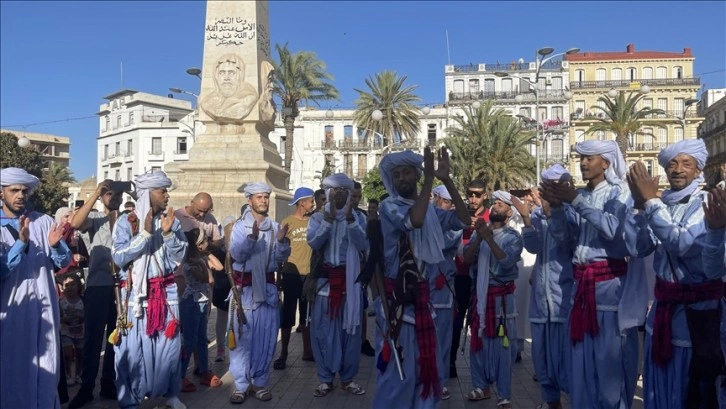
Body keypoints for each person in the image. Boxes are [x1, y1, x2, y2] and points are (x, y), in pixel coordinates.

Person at [540, 140, 646, 409]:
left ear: (606, 163)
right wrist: (557, 211)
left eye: (590, 158)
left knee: (609, 366)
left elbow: (612, 229)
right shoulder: (581, 196)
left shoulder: (620, 192)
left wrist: (572, 201)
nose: (583, 163)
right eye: (581, 158)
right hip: (582, 289)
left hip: (610, 288)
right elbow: (566, 242)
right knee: (582, 367)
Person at [626, 139, 726, 409]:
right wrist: (637, 206)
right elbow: (638, 247)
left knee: (693, 393)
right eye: (672, 163)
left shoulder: (707, 203)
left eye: (686, 163)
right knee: (659, 389)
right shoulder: (657, 204)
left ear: (699, 170)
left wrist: (649, 202)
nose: (678, 169)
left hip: (699, 319)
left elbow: (682, 243)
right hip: (661, 315)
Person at [373, 148, 469, 409]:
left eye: (407, 172)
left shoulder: (432, 212)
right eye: (397, 174)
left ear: (415, 175)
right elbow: (413, 221)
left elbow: (464, 219)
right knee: (398, 379)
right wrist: (429, 181)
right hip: (398, 305)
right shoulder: (389, 206)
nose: (401, 178)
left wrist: (446, 180)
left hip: (425, 305)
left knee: (429, 373)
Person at [111, 171, 188, 409]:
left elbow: (181, 255)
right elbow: (118, 256)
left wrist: (167, 234)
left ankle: (172, 394)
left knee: (170, 349)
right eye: (162, 190)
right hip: (134, 297)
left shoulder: (172, 221)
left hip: (166, 293)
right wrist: (144, 234)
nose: (166, 195)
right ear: (147, 194)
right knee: (132, 351)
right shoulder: (127, 222)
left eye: (166, 190)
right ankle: (129, 401)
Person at [0, 167, 71, 409]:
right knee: (14, 364)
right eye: (14, 190)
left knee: (46, 362)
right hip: (12, 308)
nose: (20, 195)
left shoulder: (43, 221)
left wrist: (56, 247)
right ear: (2, 194)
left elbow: (63, 262)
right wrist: (20, 244)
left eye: (23, 190)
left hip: (45, 306)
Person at [512, 164, 576, 409]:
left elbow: (567, 242)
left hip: (564, 298)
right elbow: (534, 248)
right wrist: (528, 218)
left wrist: (552, 212)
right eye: (544, 187)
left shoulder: (573, 214)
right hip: (541, 299)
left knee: (566, 359)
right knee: (541, 359)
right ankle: (551, 403)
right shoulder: (538, 215)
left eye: (552, 187)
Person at [227, 182, 290, 404]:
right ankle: (241, 385)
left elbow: (280, 259)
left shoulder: (274, 227)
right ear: (250, 201)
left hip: (268, 291)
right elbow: (237, 255)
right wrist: (251, 239)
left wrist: (282, 243)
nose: (263, 201)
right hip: (244, 294)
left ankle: (259, 382)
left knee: (267, 338)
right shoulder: (239, 228)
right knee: (243, 341)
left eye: (265, 197)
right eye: (259, 197)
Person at [307, 174, 369, 398]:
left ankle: (347, 378)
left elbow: (363, 244)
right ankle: (325, 379)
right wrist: (329, 220)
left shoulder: (359, 218)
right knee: (323, 333)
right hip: (325, 285)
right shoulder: (317, 218)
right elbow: (314, 242)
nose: (340, 193)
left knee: (350, 333)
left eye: (345, 190)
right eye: (336, 190)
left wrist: (350, 219)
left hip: (350, 285)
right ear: (328, 193)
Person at [462, 191, 523, 409]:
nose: (495, 207)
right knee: (477, 343)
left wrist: (488, 238)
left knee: (503, 348)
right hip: (480, 297)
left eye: (501, 204)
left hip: (501, 302)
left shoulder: (513, 237)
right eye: (494, 203)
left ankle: (504, 393)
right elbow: (467, 259)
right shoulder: (482, 233)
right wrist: (479, 237)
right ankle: (481, 386)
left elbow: (506, 263)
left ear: (509, 212)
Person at [68, 179, 124, 409]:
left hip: (122, 287)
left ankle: (109, 382)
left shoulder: (128, 221)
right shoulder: (96, 220)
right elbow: (75, 222)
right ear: (102, 197)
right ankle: (87, 387)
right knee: (93, 338)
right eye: (109, 194)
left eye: (118, 194)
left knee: (116, 337)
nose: (115, 197)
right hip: (98, 285)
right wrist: (95, 192)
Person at [450, 179, 491, 378]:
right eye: (470, 194)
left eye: (477, 194)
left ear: (485, 195)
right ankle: (450, 362)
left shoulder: (490, 216)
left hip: (481, 278)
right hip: (460, 276)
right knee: (455, 322)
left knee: (478, 322)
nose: (473, 198)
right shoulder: (459, 214)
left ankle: (481, 369)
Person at [274, 187, 316, 370]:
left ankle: (308, 351)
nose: (313, 204)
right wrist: (278, 276)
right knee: (288, 316)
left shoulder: (314, 222)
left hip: (309, 275)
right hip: (291, 274)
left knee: (307, 315)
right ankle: (283, 353)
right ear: (301, 203)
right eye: (311, 201)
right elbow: (280, 251)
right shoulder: (287, 222)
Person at [179, 228, 223, 393]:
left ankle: (204, 371)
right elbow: (209, 278)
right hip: (191, 304)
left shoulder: (202, 258)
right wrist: (202, 261)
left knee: (202, 340)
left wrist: (207, 254)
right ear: (198, 246)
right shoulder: (190, 264)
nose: (209, 243)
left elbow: (219, 267)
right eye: (205, 241)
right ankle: (180, 375)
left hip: (203, 303)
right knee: (189, 342)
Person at [430, 185, 461, 400]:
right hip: (421, 287)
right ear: (435, 198)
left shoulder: (453, 223)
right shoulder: (423, 216)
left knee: (442, 338)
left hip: (442, 287)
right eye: (444, 201)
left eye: (450, 203)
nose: (447, 207)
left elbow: (442, 243)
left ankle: (439, 382)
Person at [350, 181, 376, 357]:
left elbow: (366, 243)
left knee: (362, 305)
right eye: (354, 196)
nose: (356, 200)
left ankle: (362, 340)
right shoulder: (331, 216)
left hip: (359, 267)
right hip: (343, 269)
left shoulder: (362, 217)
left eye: (359, 196)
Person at [199, 53, 258, 123]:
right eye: (222, 73)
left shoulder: (249, 97)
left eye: (231, 73)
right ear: (216, 76)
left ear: (240, 76)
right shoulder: (206, 101)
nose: (226, 78)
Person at [212, 215, 237, 362]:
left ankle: (233, 347)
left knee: (233, 319)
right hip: (222, 286)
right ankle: (221, 347)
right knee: (222, 317)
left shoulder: (239, 244)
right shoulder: (219, 247)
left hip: (235, 285)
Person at [60, 273, 85, 386]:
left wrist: (81, 316)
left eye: (72, 284)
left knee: (80, 354)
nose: (69, 287)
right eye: (67, 285)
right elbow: (58, 317)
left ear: (79, 286)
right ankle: (68, 375)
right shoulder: (61, 302)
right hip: (66, 332)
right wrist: (63, 319)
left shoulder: (83, 301)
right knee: (67, 354)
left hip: (81, 332)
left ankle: (79, 374)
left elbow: (87, 315)